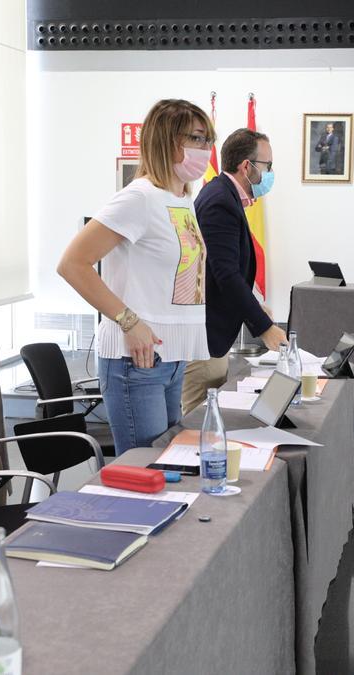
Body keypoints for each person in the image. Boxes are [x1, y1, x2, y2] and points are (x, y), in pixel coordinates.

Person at [57, 99, 215, 455]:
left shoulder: (182, 199)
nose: (206, 149)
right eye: (198, 138)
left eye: (208, 140)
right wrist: (129, 321)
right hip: (136, 361)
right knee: (147, 471)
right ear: (168, 139)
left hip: (171, 358)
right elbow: (72, 264)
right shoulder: (138, 198)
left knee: (168, 469)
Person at [181, 128, 289, 415]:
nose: (270, 174)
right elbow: (225, 273)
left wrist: (254, 304)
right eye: (268, 166)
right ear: (246, 166)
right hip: (205, 334)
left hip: (212, 331)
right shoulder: (220, 201)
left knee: (206, 415)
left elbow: (229, 264)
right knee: (196, 419)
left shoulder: (224, 194)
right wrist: (264, 328)